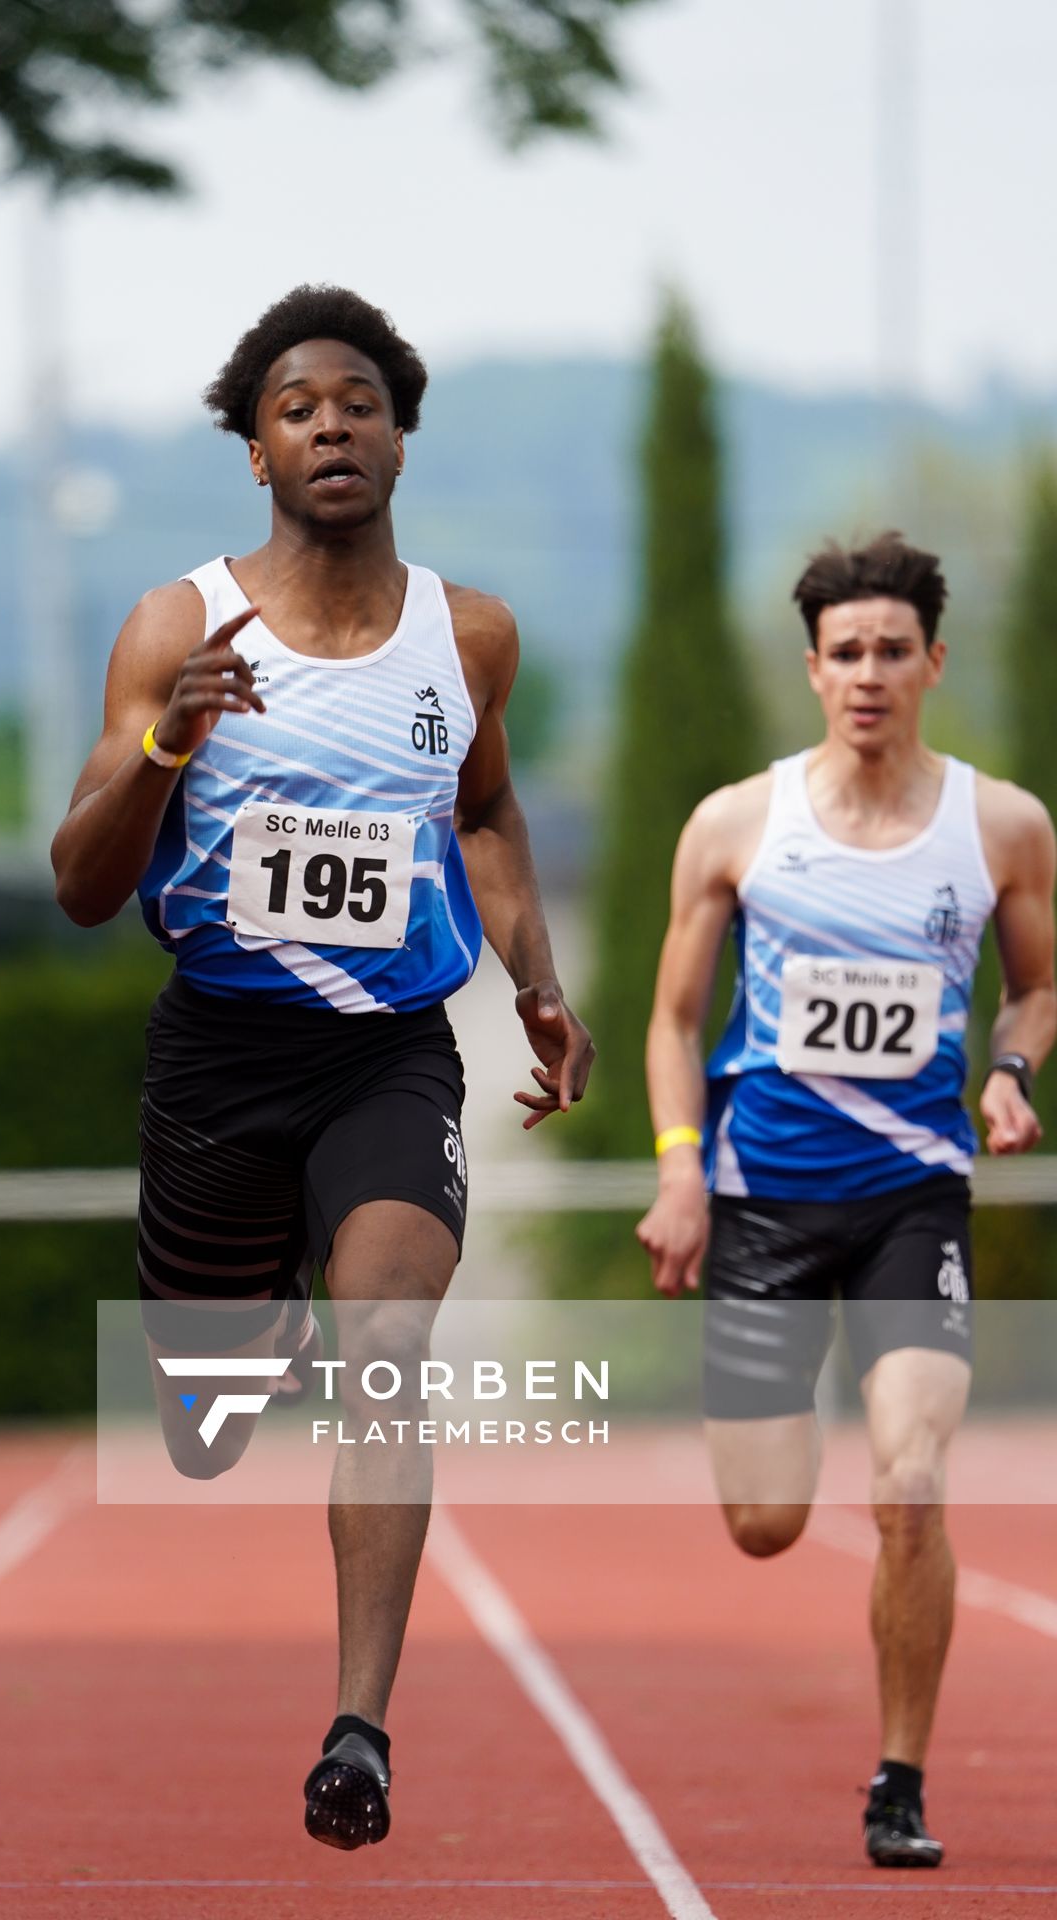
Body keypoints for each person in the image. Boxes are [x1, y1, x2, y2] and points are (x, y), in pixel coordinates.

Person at [51, 285, 593, 1851]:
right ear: (257, 453)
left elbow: (485, 815)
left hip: (387, 1061)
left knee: (388, 1348)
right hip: (221, 1054)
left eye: (359, 401)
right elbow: (86, 887)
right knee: (206, 1423)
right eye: (298, 408)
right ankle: (247, 1316)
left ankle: (360, 1729)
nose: (332, 425)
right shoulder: (177, 627)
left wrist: (537, 983)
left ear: (401, 439)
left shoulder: (468, 634)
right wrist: (164, 747)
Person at [636, 532, 1055, 1869]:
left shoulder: (1001, 826)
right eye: (845, 653)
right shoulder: (737, 825)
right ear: (811, 670)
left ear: (934, 661)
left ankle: (899, 1780)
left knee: (913, 1483)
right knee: (764, 1525)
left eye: (892, 651)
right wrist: (677, 1172)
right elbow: (673, 1017)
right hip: (762, 1205)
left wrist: (1007, 1071)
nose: (869, 674)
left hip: (912, 1204)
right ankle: (787, 1440)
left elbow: (1038, 985)